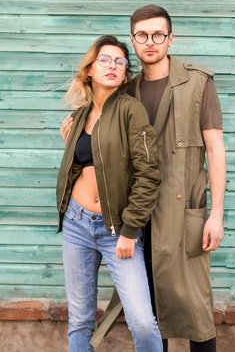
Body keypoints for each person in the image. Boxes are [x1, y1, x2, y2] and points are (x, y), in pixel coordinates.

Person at [61, 6, 226, 351]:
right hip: (132, 215)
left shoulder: (197, 81)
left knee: (196, 308)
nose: (149, 42)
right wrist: (75, 136)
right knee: (151, 307)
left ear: (170, 38)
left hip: (182, 214)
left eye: (158, 35)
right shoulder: (125, 92)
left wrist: (216, 215)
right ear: (133, 39)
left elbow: (215, 147)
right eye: (141, 35)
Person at [56, 35, 163, 352]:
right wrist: (70, 144)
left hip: (118, 230)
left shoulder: (132, 111)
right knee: (80, 322)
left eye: (120, 61)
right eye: (105, 60)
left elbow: (148, 175)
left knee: (142, 321)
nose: (113, 66)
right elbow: (86, 165)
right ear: (90, 68)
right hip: (76, 223)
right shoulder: (79, 116)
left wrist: (131, 230)